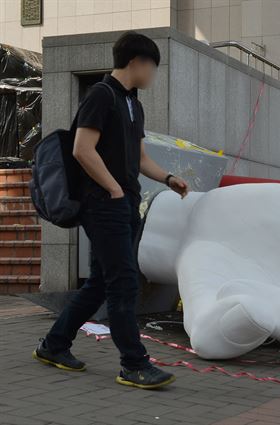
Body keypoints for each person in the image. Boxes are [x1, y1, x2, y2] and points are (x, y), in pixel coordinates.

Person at [33, 31, 189, 390]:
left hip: (124, 204)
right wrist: (113, 187)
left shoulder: (133, 102)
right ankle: (133, 364)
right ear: (137, 62)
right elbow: (82, 148)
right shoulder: (100, 96)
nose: (153, 75)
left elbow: (140, 157)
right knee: (124, 282)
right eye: (153, 67)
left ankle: (54, 345)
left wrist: (168, 178)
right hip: (104, 205)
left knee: (101, 283)